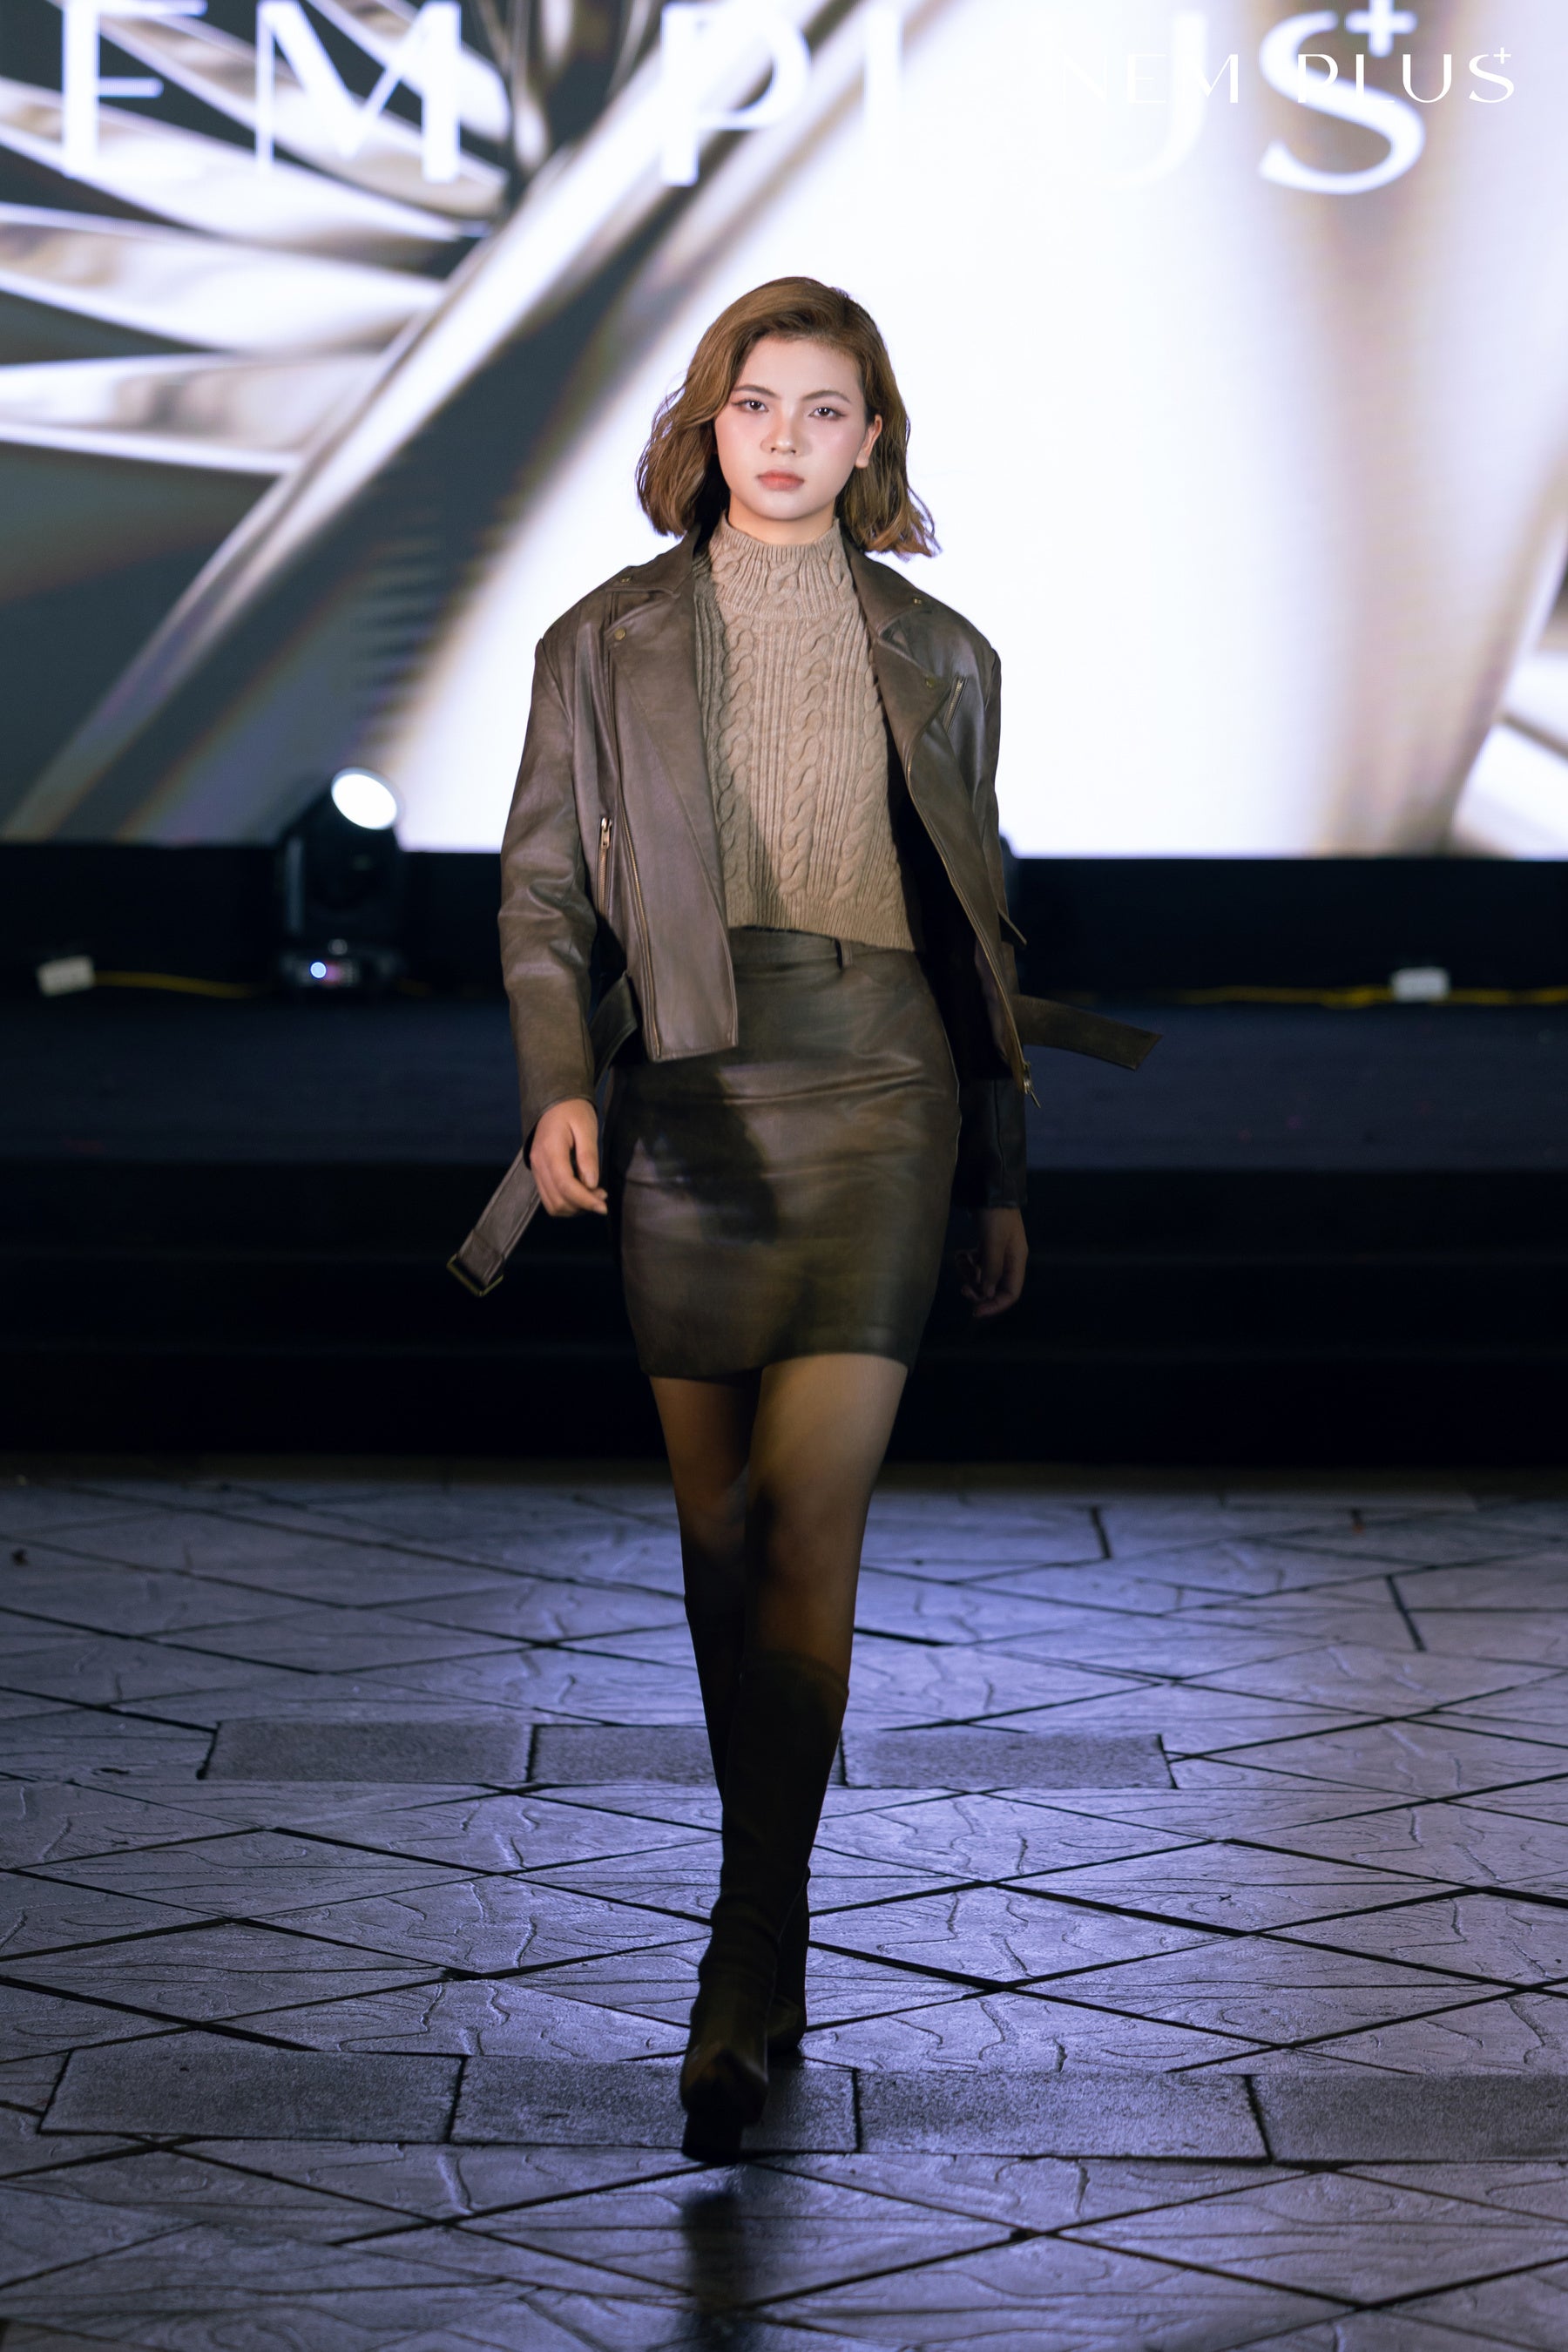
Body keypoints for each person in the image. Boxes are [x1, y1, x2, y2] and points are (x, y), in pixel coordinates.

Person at [499, 277, 1030, 2157]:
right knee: (720, 1538)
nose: (786, 438)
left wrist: (996, 1164)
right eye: (755, 403)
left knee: (808, 1521)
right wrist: (558, 1082)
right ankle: (773, 1919)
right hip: (691, 1096)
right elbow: (544, 891)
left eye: (824, 408)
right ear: (707, 424)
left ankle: (744, 1950)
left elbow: (980, 926)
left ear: (872, 437)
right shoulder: (603, 639)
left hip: (884, 1085)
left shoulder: (946, 652)